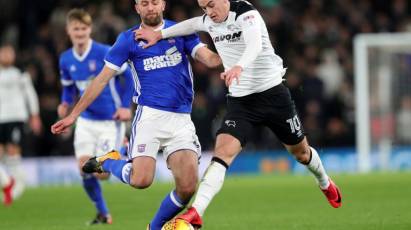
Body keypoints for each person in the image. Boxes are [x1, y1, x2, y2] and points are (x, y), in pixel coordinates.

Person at [135, 0, 342, 228]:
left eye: (212, 5)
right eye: (204, 8)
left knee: (301, 153)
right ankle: (195, 213)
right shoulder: (208, 20)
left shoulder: (245, 11)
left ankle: (324, 182)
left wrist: (239, 66)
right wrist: (159, 35)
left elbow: (254, 44)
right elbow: (190, 25)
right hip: (241, 102)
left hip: (273, 95)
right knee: (222, 154)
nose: (209, 13)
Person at [51, 1, 222, 229]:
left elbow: (209, 59)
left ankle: (154, 227)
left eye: (154, 2)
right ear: (137, 8)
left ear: (163, 4)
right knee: (141, 180)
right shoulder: (128, 39)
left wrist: (230, 54)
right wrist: (73, 115)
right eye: (144, 3)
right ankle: (110, 161)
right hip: (149, 117)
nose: (150, 7)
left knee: (188, 188)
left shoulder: (181, 31)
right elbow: (101, 79)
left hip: (181, 118)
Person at [57, 9, 134, 225]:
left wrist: (127, 106)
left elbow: (127, 75)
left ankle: (124, 149)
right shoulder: (65, 59)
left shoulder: (104, 52)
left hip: (110, 120)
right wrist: (64, 104)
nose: (80, 32)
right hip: (86, 121)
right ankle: (103, 213)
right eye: (76, 29)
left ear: (89, 30)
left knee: (103, 173)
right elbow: (69, 89)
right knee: (84, 169)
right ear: (68, 31)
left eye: (83, 28)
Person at [0, 44, 42, 201]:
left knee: (12, 150)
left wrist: (35, 115)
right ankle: (7, 183)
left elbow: (30, 94)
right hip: (0, 118)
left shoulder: (20, 73)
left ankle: (18, 185)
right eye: (3, 53)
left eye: (9, 53)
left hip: (16, 116)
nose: (6, 56)